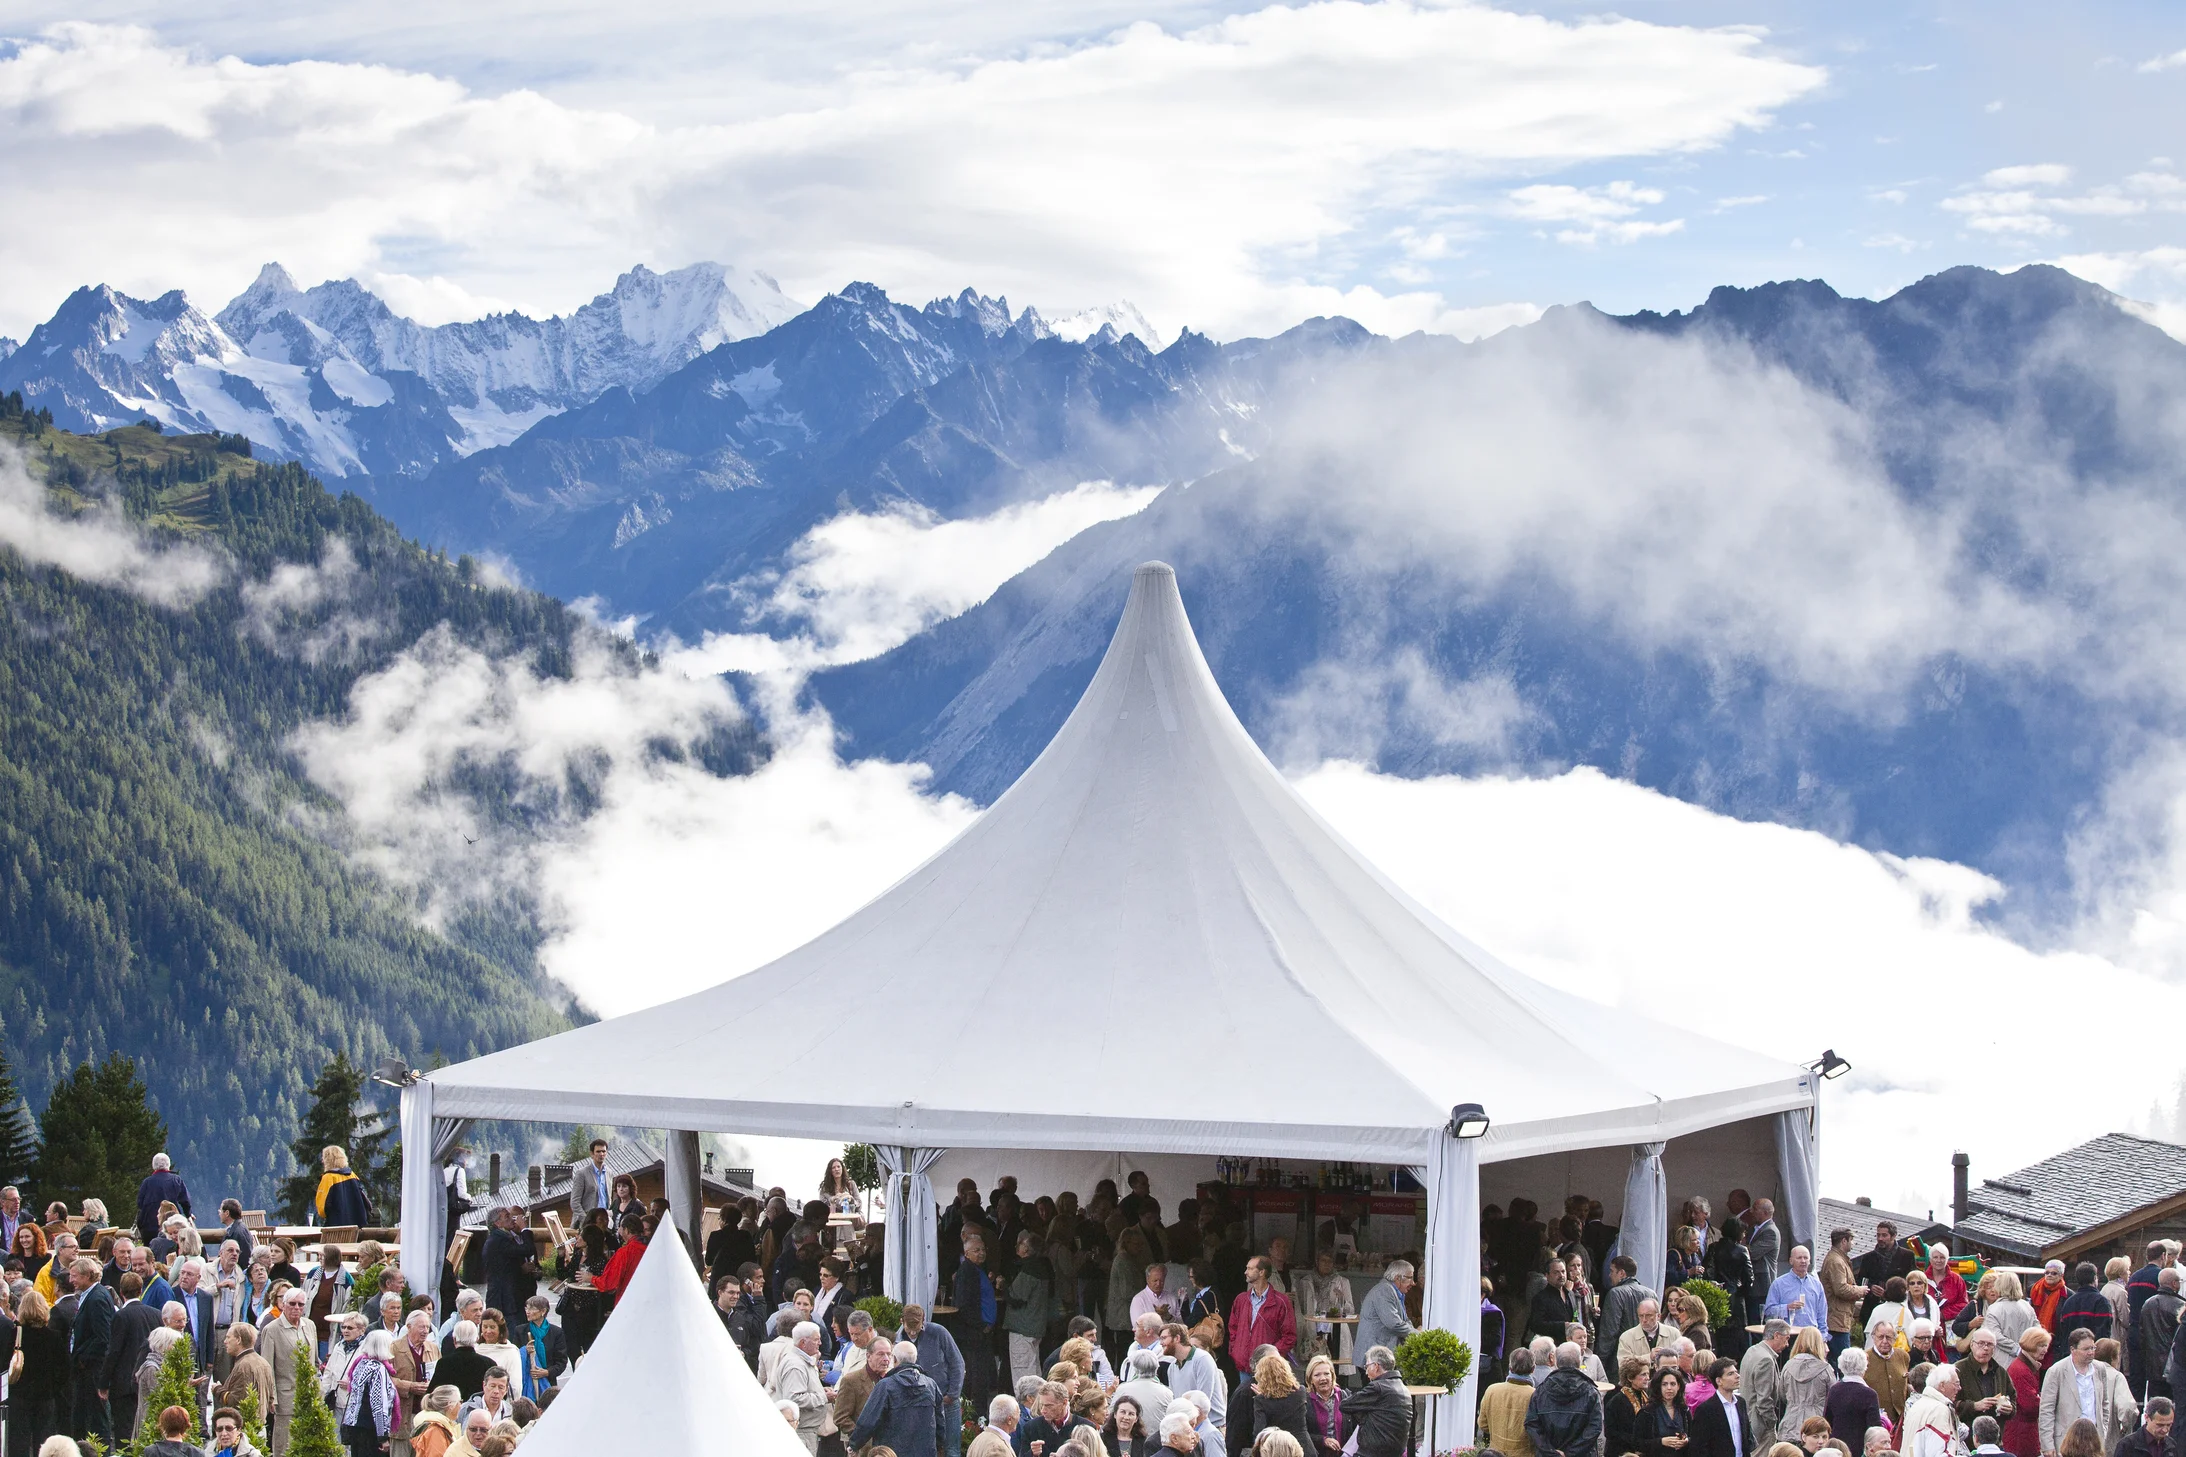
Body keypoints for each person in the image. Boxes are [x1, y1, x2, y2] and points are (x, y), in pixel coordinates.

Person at [2040, 1330, 2136, 1456]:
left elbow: (2104, 1404)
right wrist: (2047, 1445)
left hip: (2094, 1441)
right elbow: (2046, 1410)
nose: (2091, 1352)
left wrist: (2104, 1430)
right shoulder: (2056, 1371)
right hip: (2066, 1442)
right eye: (2086, 1349)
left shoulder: (2100, 1368)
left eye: (2093, 1347)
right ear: (2072, 1349)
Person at [901, 1304, 968, 1457]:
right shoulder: (898, 1340)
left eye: (916, 1328)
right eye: (908, 1328)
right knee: (924, 1449)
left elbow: (957, 1362)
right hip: (918, 1403)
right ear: (901, 1321)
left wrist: (952, 1394)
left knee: (952, 1450)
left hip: (946, 1399)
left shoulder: (938, 1332)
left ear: (924, 1321)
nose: (912, 1332)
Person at [1530, 1342, 1607, 1457]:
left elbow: (1532, 1424)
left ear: (1556, 1361)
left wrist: (1551, 1451)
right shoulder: (1591, 1392)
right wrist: (1570, 1453)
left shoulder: (1540, 1391)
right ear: (1579, 1361)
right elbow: (1594, 1428)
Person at [338, 1328, 400, 1457]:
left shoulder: (361, 1363)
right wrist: (382, 1437)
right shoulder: (378, 1369)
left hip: (356, 1425)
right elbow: (379, 1404)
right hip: (370, 1429)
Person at [1229, 1259, 1296, 1374]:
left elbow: (1289, 1336)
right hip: (1244, 1365)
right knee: (1245, 1392)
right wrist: (1236, 1350)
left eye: (1250, 1268)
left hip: (1269, 1368)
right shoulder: (1241, 1299)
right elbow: (1233, 1328)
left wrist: (1271, 1356)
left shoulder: (1281, 1301)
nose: (1245, 1272)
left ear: (1261, 1272)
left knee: (1268, 1392)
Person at [1339, 1347, 1410, 1457]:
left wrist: (1363, 1418)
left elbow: (1345, 1405)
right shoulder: (1402, 1387)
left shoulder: (1378, 1387)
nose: (1366, 1371)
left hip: (1373, 1452)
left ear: (1376, 1366)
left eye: (1367, 1366)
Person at [1689, 1358, 1755, 1457]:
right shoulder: (1705, 1409)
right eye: (1730, 1374)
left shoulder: (1741, 1403)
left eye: (1736, 1372)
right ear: (1719, 1381)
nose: (1737, 1376)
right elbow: (1699, 1446)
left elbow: (1746, 1437)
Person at [1480, 1347, 1540, 1457]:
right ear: (1533, 1369)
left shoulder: (1492, 1390)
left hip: (1495, 1452)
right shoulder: (1536, 1396)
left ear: (1510, 1367)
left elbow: (1483, 1425)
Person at [1775, 1329, 1833, 1442]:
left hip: (1790, 1423)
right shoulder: (1825, 1369)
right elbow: (1832, 1397)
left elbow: (1781, 1395)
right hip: (1816, 1426)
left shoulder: (1788, 1366)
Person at [1355, 1262, 1417, 1366]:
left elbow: (1404, 1320)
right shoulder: (1385, 1290)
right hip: (1374, 1359)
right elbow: (1394, 1324)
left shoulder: (1395, 1292)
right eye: (1410, 1278)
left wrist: (1414, 1331)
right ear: (1397, 1278)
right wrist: (1418, 1335)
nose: (1413, 1283)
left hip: (1379, 1359)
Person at [2002, 1327, 2050, 1457]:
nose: (2045, 1350)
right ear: (2031, 1344)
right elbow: (2031, 1405)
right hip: (2021, 1434)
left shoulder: (2027, 1366)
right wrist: (2046, 1402)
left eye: (2046, 1346)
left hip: (2024, 1432)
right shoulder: (2020, 1370)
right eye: (2041, 1345)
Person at [1250, 1350, 1310, 1451]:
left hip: (1278, 1449)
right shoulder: (1301, 1392)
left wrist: (1263, 1398)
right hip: (1304, 1447)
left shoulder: (1261, 1401)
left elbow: (1258, 1432)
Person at [1823, 1347, 1881, 1450]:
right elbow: (1874, 1429)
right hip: (1860, 1448)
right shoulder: (1869, 1394)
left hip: (1837, 1447)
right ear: (1864, 1366)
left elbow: (1827, 1421)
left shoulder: (1834, 1390)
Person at [1742, 1321, 1790, 1439]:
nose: (1787, 1344)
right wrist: (1771, 1423)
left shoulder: (1752, 1350)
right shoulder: (1766, 1360)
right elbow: (1764, 1400)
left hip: (1746, 1420)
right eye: (1787, 1338)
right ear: (1777, 1335)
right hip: (1760, 1427)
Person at [2055, 1266, 2116, 1357]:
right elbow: (2103, 1332)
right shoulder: (2101, 1301)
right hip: (2092, 1355)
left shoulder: (2068, 1302)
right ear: (2095, 1278)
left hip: (2071, 1355)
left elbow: (2063, 1330)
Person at [2143, 1271, 2185, 1400]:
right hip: (2172, 1366)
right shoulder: (2179, 1306)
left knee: (2154, 1405)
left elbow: (2141, 1334)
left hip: (2151, 1365)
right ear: (2174, 1283)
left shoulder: (2147, 1304)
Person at [1820, 1232, 1861, 1360]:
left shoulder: (1838, 1258)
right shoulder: (1836, 1261)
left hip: (1839, 1318)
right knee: (1842, 1360)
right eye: (1852, 1240)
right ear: (1844, 1241)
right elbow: (1840, 1289)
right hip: (1837, 1320)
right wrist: (1859, 1290)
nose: (1853, 1244)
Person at [1903, 1362, 1960, 1457]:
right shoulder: (1938, 1410)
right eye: (1956, 1384)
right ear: (1942, 1386)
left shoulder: (1919, 1405)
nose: (1959, 1388)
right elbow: (1937, 1453)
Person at [1767, 1249, 1827, 1335]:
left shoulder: (1817, 1285)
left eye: (1806, 1258)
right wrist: (1787, 1307)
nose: (1803, 1261)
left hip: (1811, 1335)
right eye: (1799, 1258)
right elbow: (1768, 1311)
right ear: (1791, 1261)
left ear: (1810, 1261)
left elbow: (1822, 1315)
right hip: (1786, 1335)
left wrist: (1823, 1338)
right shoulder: (1778, 1284)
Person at [134, 1155, 192, 1244]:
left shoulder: (147, 1182)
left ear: (154, 1166)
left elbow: (140, 1203)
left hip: (149, 1226)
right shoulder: (176, 1179)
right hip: (173, 1226)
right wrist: (188, 1215)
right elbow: (185, 1201)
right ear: (168, 1165)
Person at [1638, 1366, 1692, 1457]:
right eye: (1664, 1384)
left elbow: (1695, 1436)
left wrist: (1686, 1441)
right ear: (1658, 1387)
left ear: (1678, 1386)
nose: (1669, 1388)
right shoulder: (1647, 1412)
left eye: (1673, 1384)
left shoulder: (1684, 1410)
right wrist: (1661, 1442)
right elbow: (1637, 1443)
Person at [316, 1148, 374, 1230]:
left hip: (335, 1228)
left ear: (328, 1160)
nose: (322, 1161)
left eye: (324, 1158)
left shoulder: (328, 1178)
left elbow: (322, 1210)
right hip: (355, 1228)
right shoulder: (352, 1175)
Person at [407, 1388, 462, 1457]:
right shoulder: (435, 1430)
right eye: (460, 1401)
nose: (461, 1406)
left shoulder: (441, 1426)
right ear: (450, 1405)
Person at [1623, 1300, 1677, 1366]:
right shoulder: (1626, 1337)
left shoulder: (1674, 1334)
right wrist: (1649, 1357)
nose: (1644, 1320)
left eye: (1648, 1315)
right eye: (1641, 1316)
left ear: (1659, 1316)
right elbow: (1623, 1365)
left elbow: (1682, 1359)